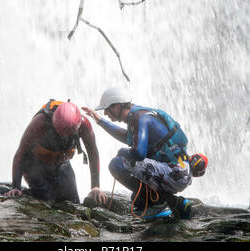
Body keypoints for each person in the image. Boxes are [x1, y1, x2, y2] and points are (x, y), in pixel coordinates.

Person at [83, 87, 206, 220]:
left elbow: (139, 153)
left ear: (117, 106)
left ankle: (159, 203)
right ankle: (175, 203)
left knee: (116, 164)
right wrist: (100, 121)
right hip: (181, 172)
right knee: (137, 199)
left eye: (107, 109)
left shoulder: (138, 118)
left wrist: (123, 152)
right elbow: (127, 137)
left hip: (175, 173)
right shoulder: (141, 114)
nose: (106, 113)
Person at [4, 99, 107, 205]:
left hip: (61, 163)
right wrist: (16, 187)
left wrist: (95, 186)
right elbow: (21, 153)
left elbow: (93, 153)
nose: (63, 136)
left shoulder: (84, 125)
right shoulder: (39, 123)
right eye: (60, 132)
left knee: (73, 202)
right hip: (35, 165)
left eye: (67, 133)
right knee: (47, 199)